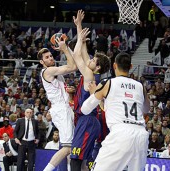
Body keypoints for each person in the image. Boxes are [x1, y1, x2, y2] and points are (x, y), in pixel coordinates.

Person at [81, 53, 150, 171]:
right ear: (131, 66)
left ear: (114, 66)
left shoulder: (108, 83)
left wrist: (94, 93)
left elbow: (85, 109)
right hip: (141, 135)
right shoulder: (140, 86)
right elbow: (146, 109)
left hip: (120, 133)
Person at [70, 10, 111, 171]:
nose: (91, 60)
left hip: (87, 120)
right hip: (87, 121)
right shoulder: (91, 72)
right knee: (84, 162)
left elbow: (76, 54)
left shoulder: (89, 74)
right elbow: (84, 52)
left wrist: (79, 39)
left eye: (94, 60)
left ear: (98, 67)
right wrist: (79, 25)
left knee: (75, 158)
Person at [38, 34, 77, 170]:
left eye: (50, 56)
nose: (50, 58)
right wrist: (65, 48)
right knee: (67, 148)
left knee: (72, 147)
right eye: (47, 57)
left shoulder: (55, 72)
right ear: (42, 62)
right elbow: (73, 67)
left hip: (64, 108)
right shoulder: (48, 71)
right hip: (61, 110)